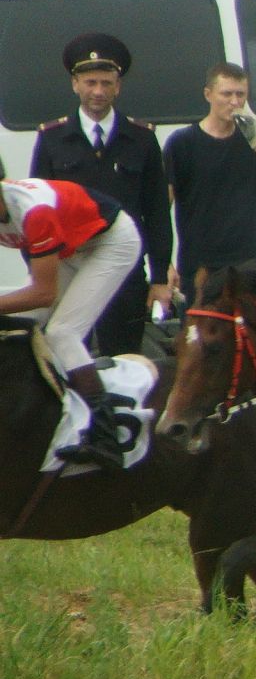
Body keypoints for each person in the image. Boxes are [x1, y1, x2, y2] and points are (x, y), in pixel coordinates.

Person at [31, 33, 172, 354]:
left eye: (106, 83)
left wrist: (160, 277)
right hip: (71, 269)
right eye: (91, 82)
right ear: (75, 84)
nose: (98, 91)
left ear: (118, 86)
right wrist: (43, 272)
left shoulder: (141, 139)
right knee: (64, 357)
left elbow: (157, 211)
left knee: (123, 360)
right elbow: (35, 212)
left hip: (125, 273)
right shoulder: (52, 139)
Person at [0, 177, 146, 469]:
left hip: (112, 241)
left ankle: (106, 438)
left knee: (62, 332)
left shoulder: (33, 211)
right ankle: (48, 415)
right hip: (73, 246)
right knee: (35, 325)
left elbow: (43, 293)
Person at [163, 63, 256, 298]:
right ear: (208, 94)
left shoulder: (253, 140)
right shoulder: (182, 142)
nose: (234, 102)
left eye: (240, 94)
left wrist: (255, 141)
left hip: (247, 265)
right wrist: (164, 263)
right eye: (226, 94)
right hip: (199, 268)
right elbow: (162, 209)